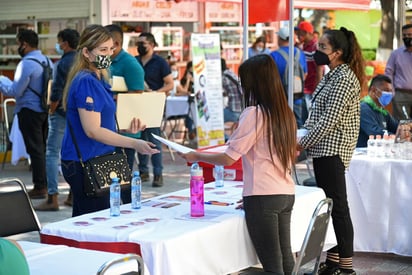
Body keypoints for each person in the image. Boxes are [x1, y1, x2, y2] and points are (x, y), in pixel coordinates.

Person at [180, 54, 297, 274]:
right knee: (284, 258)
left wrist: (196, 156)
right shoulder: (285, 114)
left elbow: (228, 157)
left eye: (244, 81)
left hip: (263, 196)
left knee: (272, 265)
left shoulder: (254, 114)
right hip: (284, 193)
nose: (242, 87)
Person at [60, 24, 158, 217]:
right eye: (103, 50)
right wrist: (133, 142)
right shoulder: (86, 81)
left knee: (88, 221)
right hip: (85, 162)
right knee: (96, 221)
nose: (109, 55)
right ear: (86, 53)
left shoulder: (99, 78)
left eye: (111, 49)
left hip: (98, 160)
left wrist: (125, 129)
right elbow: (93, 130)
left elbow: (102, 124)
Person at [298, 27, 365, 275]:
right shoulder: (332, 75)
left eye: (323, 48)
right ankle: (334, 261)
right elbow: (317, 115)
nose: (317, 52)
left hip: (333, 149)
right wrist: (302, 134)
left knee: (338, 207)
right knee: (331, 205)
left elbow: (329, 120)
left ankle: (346, 267)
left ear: (337, 53)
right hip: (323, 148)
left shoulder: (345, 79)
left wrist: (301, 143)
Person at [0, 29, 52, 199]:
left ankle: (40, 186)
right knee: (42, 149)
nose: (18, 47)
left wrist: (1, 79)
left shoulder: (26, 63)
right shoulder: (47, 61)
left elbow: (14, 90)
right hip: (44, 110)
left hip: (29, 111)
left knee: (35, 150)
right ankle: (46, 185)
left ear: (25, 44)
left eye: (18, 43)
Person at [35, 29, 80, 211]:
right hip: (79, 113)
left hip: (61, 112)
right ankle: (73, 193)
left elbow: (56, 91)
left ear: (65, 43)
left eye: (59, 42)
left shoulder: (61, 64)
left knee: (53, 152)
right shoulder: (83, 61)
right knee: (75, 152)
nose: (58, 45)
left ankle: (52, 196)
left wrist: (52, 110)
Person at [104, 24, 145, 203]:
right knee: (111, 175)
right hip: (109, 128)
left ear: (117, 43)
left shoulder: (130, 64)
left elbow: (137, 95)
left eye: (106, 45)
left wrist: (111, 98)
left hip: (125, 130)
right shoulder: (106, 61)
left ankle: (130, 207)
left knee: (123, 175)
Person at [135, 32, 174, 187]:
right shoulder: (135, 61)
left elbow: (170, 84)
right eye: (138, 44)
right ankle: (143, 171)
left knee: (154, 138)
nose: (139, 47)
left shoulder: (160, 62)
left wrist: (156, 93)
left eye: (142, 44)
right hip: (137, 102)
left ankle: (158, 174)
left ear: (151, 45)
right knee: (139, 136)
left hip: (154, 103)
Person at [270, 26, 308, 128]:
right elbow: (305, 74)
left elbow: (269, 78)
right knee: (298, 126)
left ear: (280, 39)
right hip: (297, 96)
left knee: (281, 126)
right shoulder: (300, 53)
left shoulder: (273, 55)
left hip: (280, 98)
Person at [357, 74, 398, 148]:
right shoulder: (363, 109)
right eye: (386, 90)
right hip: (363, 154)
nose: (389, 94)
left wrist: (405, 129)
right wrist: (397, 137)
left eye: (390, 91)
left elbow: (396, 127)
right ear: (373, 90)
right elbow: (375, 132)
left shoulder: (382, 111)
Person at [384, 23, 412, 120]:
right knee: (403, 125)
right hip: (401, 95)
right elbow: (388, 72)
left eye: (410, 35)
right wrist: (392, 91)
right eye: (405, 35)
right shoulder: (396, 54)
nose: (407, 37)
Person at [298, 21, 324, 113]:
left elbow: (320, 70)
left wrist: (317, 91)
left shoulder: (315, 47)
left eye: (299, 33)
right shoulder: (303, 46)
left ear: (305, 33)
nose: (297, 35)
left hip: (312, 89)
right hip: (304, 87)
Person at [169, 61, 196, 140]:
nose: (174, 72)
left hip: (181, 106)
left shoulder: (177, 82)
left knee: (190, 110)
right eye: (172, 70)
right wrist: (188, 80)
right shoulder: (170, 83)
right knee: (189, 111)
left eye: (176, 70)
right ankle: (191, 131)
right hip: (172, 108)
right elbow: (184, 91)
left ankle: (193, 130)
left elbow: (183, 92)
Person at [221, 58, 242, 124]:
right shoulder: (231, 73)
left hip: (234, 110)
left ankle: (226, 135)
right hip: (242, 109)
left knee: (215, 119)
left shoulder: (223, 77)